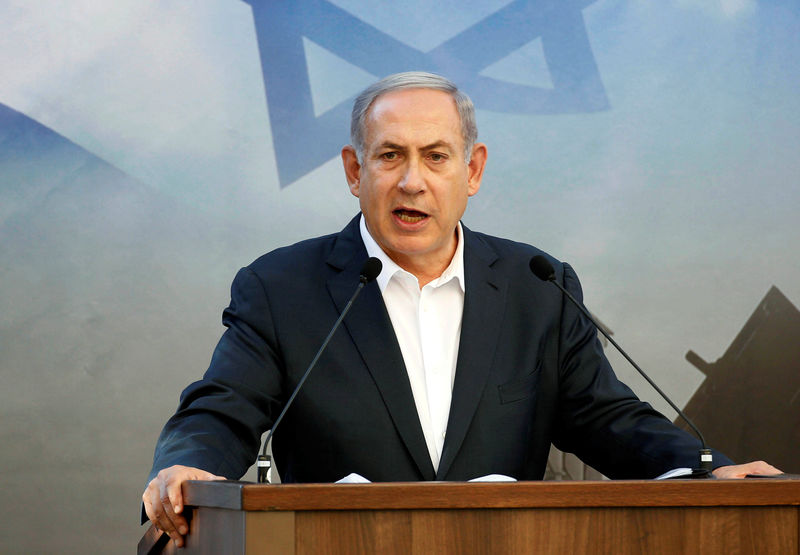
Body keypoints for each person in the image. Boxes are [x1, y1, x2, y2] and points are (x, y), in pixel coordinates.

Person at [143, 72, 780, 547]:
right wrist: (186, 467)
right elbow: (222, 410)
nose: (412, 181)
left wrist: (708, 472)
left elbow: (604, 417)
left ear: (471, 171)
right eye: (390, 155)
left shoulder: (537, 284)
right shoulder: (283, 287)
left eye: (436, 156)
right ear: (353, 170)